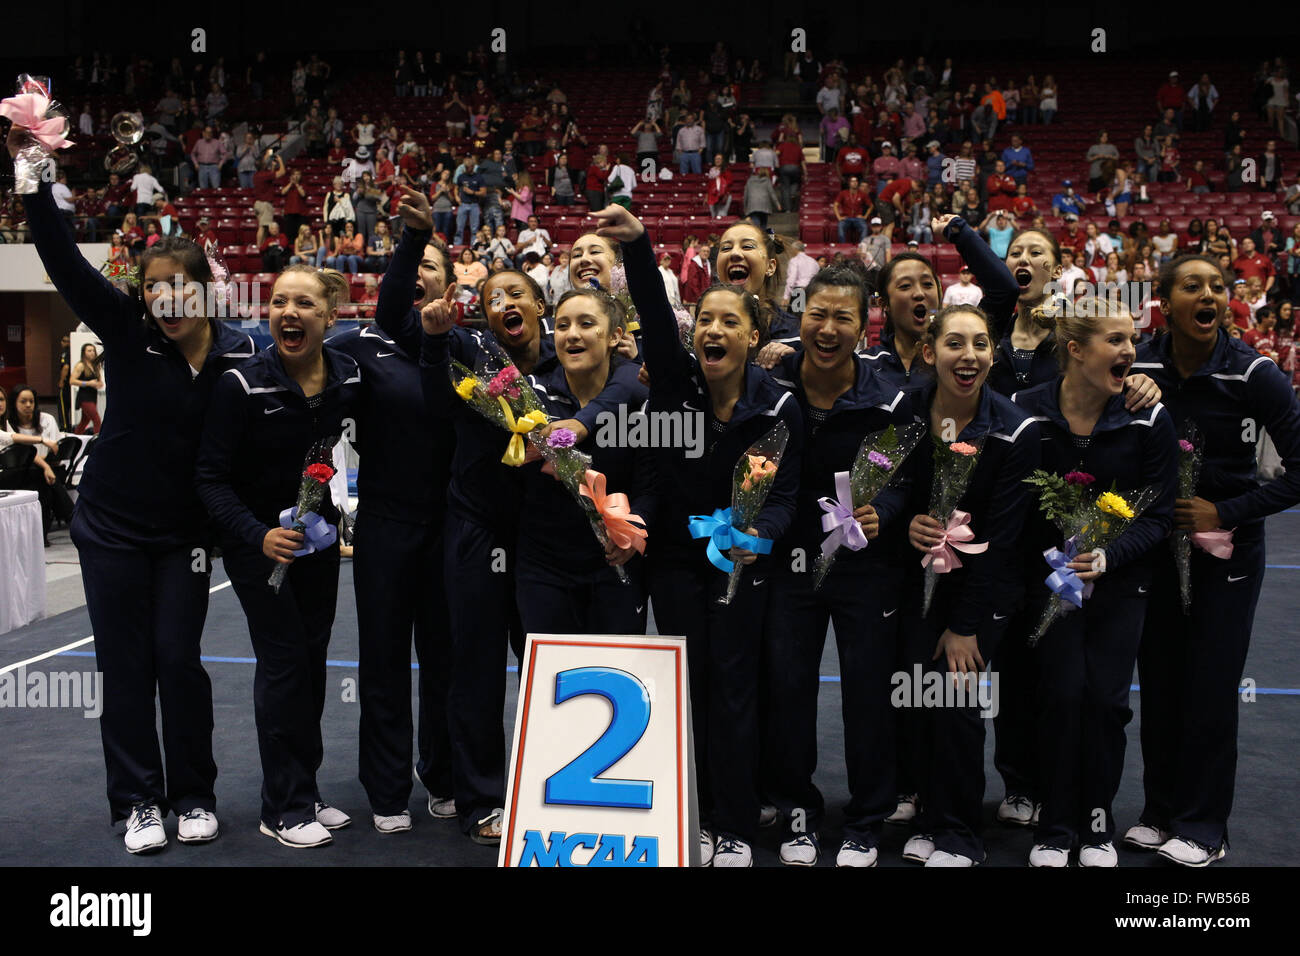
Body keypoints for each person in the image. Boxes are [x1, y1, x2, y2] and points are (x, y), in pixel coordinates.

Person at [20, 148, 256, 854]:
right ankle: (138, 802)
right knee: (124, 667)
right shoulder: (127, 333)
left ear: (204, 289)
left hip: (183, 537)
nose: (164, 300)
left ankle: (193, 794)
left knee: (177, 660)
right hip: (113, 531)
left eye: (178, 287)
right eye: (152, 288)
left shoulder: (238, 354)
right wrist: (34, 178)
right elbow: (62, 261)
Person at [606, 201, 803, 867]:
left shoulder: (776, 404)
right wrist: (639, 247)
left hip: (741, 565)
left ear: (753, 338)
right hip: (676, 566)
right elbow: (657, 325)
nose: (715, 330)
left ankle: (738, 824)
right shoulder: (677, 393)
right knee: (690, 686)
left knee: (735, 689)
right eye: (707, 321)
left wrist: (761, 534)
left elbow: (785, 493)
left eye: (731, 322)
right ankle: (697, 814)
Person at [417, 260, 639, 849]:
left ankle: (569, 788)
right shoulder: (478, 360)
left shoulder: (563, 362)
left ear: (542, 305)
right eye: (493, 298)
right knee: (478, 664)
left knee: (552, 663)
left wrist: (582, 427)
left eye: (518, 293)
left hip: (541, 538)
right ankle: (481, 798)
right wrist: (436, 338)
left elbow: (630, 379)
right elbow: (433, 392)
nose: (505, 303)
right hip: (478, 527)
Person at [1128, 255, 1300, 865]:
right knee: (1161, 683)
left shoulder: (1256, 373)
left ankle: (1204, 826)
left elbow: (1298, 475)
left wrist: (1224, 514)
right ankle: (1159, 810)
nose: (1210, 295)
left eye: (1219, 287)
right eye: (1193, 286)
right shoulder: (1139, 364)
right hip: (1155, 551)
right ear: (1164, 301)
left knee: (1209, 687)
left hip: (1227, 554)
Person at [196, 266, 360, 849]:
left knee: (312, 662)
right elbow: (210, 479)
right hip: (258, 548)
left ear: (329, 318)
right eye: (279, 301)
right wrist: (256, 534)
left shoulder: (347, 379)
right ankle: (282, 805)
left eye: (305, 304)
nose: (289, 312)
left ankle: (306, 788)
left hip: (315, 544)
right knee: (286, 660)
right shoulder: (240, 385)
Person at [1011, 298, 1176, 867]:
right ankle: (1057, 827)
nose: (1130, 351)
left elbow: (1158, 513)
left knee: (1106, 704)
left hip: (1121, 584)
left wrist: (1109, 555)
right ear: (1076, 350)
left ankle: (1098, 826)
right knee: (1058, 699)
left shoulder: (1148, 416)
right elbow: (1011, 503)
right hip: (1050, 584)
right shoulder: (1026, 411)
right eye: (1115, 340)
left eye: (1132, 340)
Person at [762, 265, 914, 867]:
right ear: (801, 316)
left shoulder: (892, 396)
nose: (828, 329)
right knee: (789, 689)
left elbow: (907, 478)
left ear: (865, 322)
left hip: (863, 568)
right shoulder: (769, 382)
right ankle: (796, 810)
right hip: (789, 565)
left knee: (869, 694)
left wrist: (886, 511)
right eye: (817, 314)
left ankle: (867, 820)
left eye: (843, 317)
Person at [897, 304, 1041, 866]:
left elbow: (1004, 543)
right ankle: (931, 815)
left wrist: (965, 627)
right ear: (930, 353)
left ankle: (959, 834)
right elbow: (887, 484)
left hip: (986, 589)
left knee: (958, 699)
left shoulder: (1014, 431)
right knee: (915, 694)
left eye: (981, 344)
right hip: (917, 583)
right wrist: (903, 517)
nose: (970, 355)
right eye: (955, 343)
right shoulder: (905, 412)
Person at [516, 287, 653, 634]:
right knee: (551, 680)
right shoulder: (531, 397)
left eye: (586, 323)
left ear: (614, 336)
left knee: (615, 672)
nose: (572, 334)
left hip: (615, 560)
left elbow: (652, 481)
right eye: (562, 326)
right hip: (543, 566)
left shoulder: (640, 398)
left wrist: (636, 524)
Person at [3, 383, 75, 543]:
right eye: (23, 401)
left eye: (31, 401)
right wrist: (44, 460)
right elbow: (20, 446)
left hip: (42, 468)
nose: (28, 405)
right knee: (42, 479)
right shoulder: (10, 424)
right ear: (14, 403)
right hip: (19, 472)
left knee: (42, 481)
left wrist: (45, 465)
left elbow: (55, 450)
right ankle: (71, 516)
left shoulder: (46, 420)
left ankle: (43, 532)